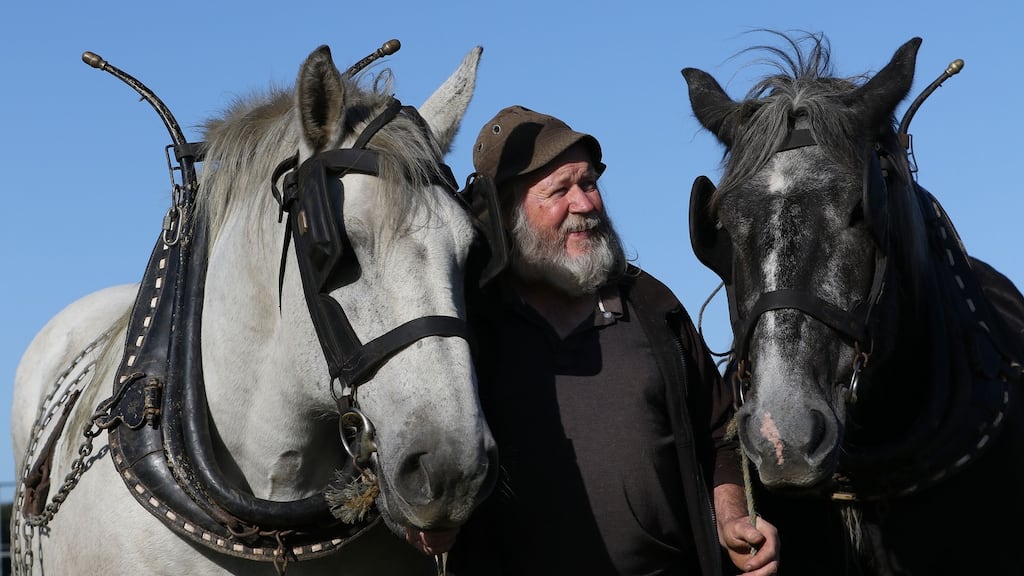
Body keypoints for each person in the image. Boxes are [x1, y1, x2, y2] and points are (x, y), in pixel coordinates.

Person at [442, 105, 779, 576]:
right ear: (505, 215)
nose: (584, 205)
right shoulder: (471, 328)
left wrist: (732, 515)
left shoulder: (651, 303)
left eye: (589, 183)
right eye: (560, 190)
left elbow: (722, 434)